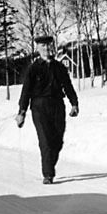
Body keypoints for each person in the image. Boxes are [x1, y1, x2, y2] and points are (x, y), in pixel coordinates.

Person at [15, 35, 79, 184]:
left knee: (58, 141)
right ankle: (48, 174)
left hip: (58, 106)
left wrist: (74, 103)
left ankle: (49, 165)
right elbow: (26, 92)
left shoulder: (60, 67)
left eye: (49, 46)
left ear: (53, 47)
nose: (46, 49)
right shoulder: (34, 68)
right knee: (45, 141)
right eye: (43, 46)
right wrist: (22, 112)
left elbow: (68, 86)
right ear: (37, 48)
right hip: (39, 107)